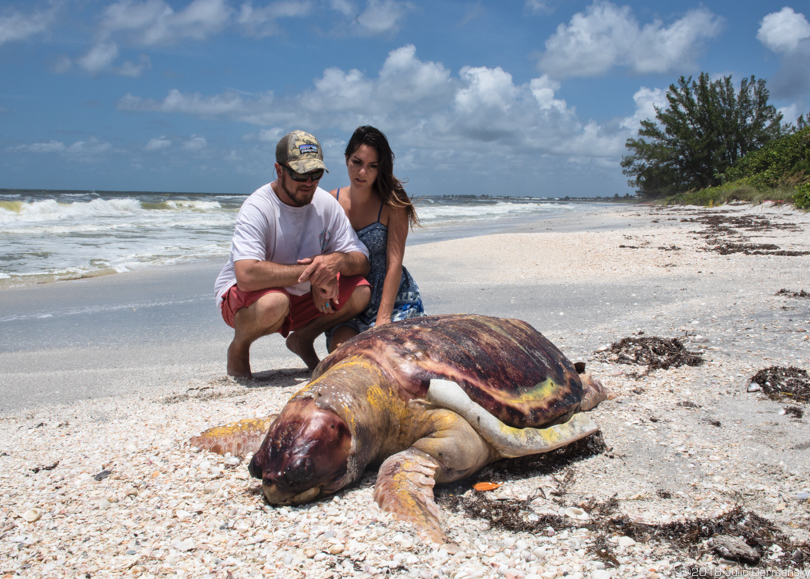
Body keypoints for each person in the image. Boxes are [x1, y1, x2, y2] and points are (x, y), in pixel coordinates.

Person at [214, 130, 371, 377]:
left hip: (303, 295)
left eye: (315, 173)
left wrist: (335, 262)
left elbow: (361, 259)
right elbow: (246, 274)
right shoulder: (258, 207)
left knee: (361, 291)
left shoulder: (325, 204)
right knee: (275, 302)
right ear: (279, 170)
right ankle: (239, 346)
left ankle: (303, 338)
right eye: (300, 174)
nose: (309, 182)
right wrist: (316, 274)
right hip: (248, 298)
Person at [326, 126, 425, 352]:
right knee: (345, 355)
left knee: (391, 357)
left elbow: (394, 263)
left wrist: (383, 318)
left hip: (392, 298)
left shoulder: (392, 202)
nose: (362, 172)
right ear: (346, 159)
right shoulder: (330, 201)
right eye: (357, 162)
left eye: (372, 166)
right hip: (350, 297)